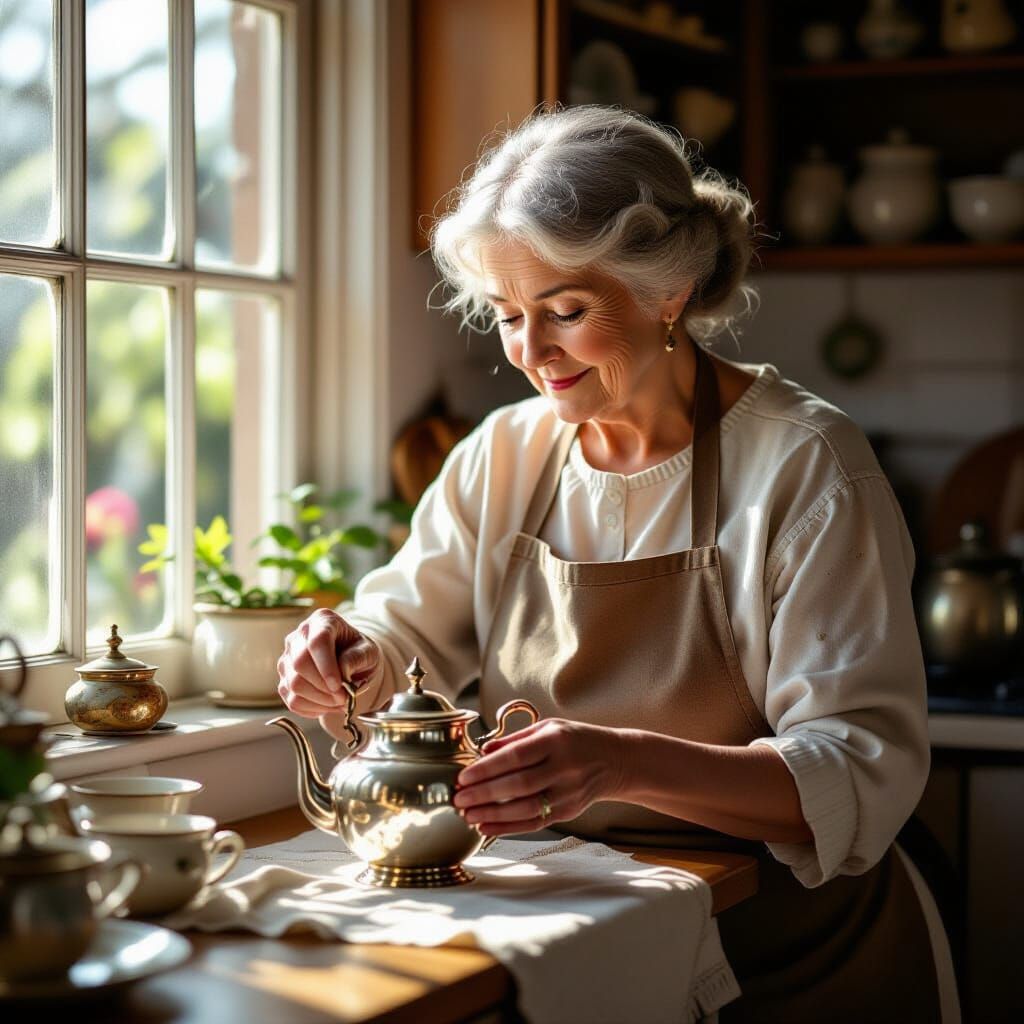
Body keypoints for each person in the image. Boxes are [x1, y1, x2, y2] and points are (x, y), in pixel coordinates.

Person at [277, 106, 956, 1022]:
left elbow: (858, 769)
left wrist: (621, 763)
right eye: (509, 316)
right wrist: (351, 652)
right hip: (584, 924)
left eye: (565, 311)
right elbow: (407, 634)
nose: (531, 352)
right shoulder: (501, 456)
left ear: (669, 290)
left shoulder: (806, 466)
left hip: (791, 951)